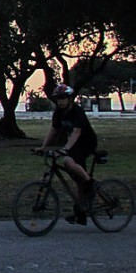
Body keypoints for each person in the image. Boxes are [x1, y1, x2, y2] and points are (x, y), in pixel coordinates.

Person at [34, 84, 98, 225]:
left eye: (63, 98)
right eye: (58, 99)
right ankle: (80, 213)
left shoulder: (77, 111)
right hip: (74, 143)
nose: (61, 101)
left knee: (67, 161)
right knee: (77, 181)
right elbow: (54, 130)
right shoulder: (58, 112)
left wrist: (66, 148)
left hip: (86, 143)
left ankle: (91, 183)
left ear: (70, 99)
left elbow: (77, 132)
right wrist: (43, 147)